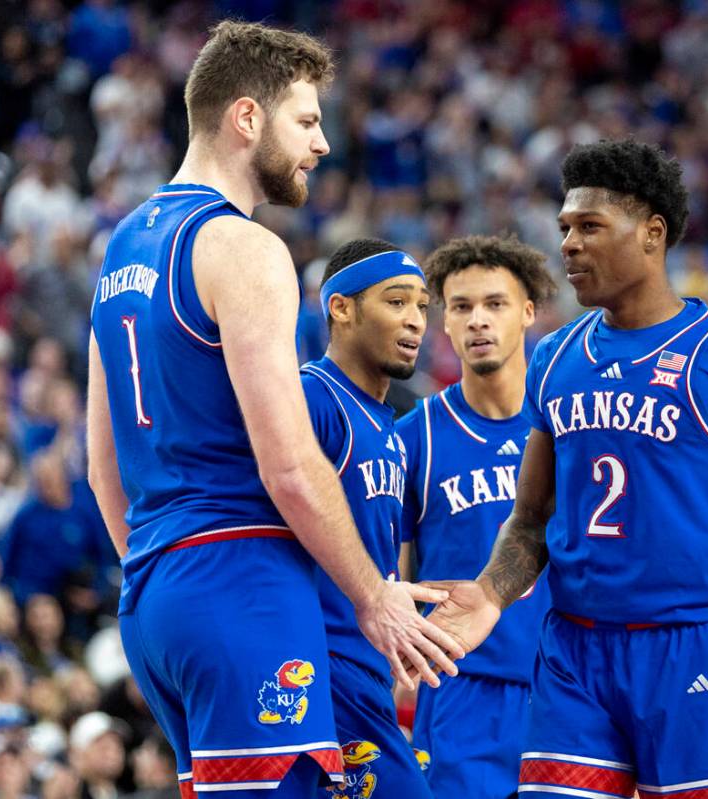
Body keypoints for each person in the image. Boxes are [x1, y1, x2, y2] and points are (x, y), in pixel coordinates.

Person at [420, 139, 708, 796]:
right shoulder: (554, 357)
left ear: (652, 233)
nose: (567, 243)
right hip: (573, 650)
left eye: (590, 227)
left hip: (692, 646)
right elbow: (531, 519)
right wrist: (488, 593)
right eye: (564, 227)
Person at [85, 20, 461, 798]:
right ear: (246, 118)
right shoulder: (244, 247)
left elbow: (101, 468)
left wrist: (167, 574)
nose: (321, 144)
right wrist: (374, 595)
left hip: (154, 591)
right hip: (239, 578)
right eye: (307, 120)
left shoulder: (122, 247)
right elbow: (290, 464)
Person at [396, 235, 557, 798]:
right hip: (464, 694)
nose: (478, 321)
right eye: (461, 307)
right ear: (444, 321)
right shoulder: (415, 436)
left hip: (569, 688)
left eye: (496, 304)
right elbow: (388, 575)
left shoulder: (570, 423)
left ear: (529, 313)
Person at [300, 237, 433, 799]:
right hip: (322, 665)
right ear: (342, 308)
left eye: (424, 307)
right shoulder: (312, 398)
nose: (416, 322)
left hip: (367, 667)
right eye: (396, 302)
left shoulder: (387, 423)